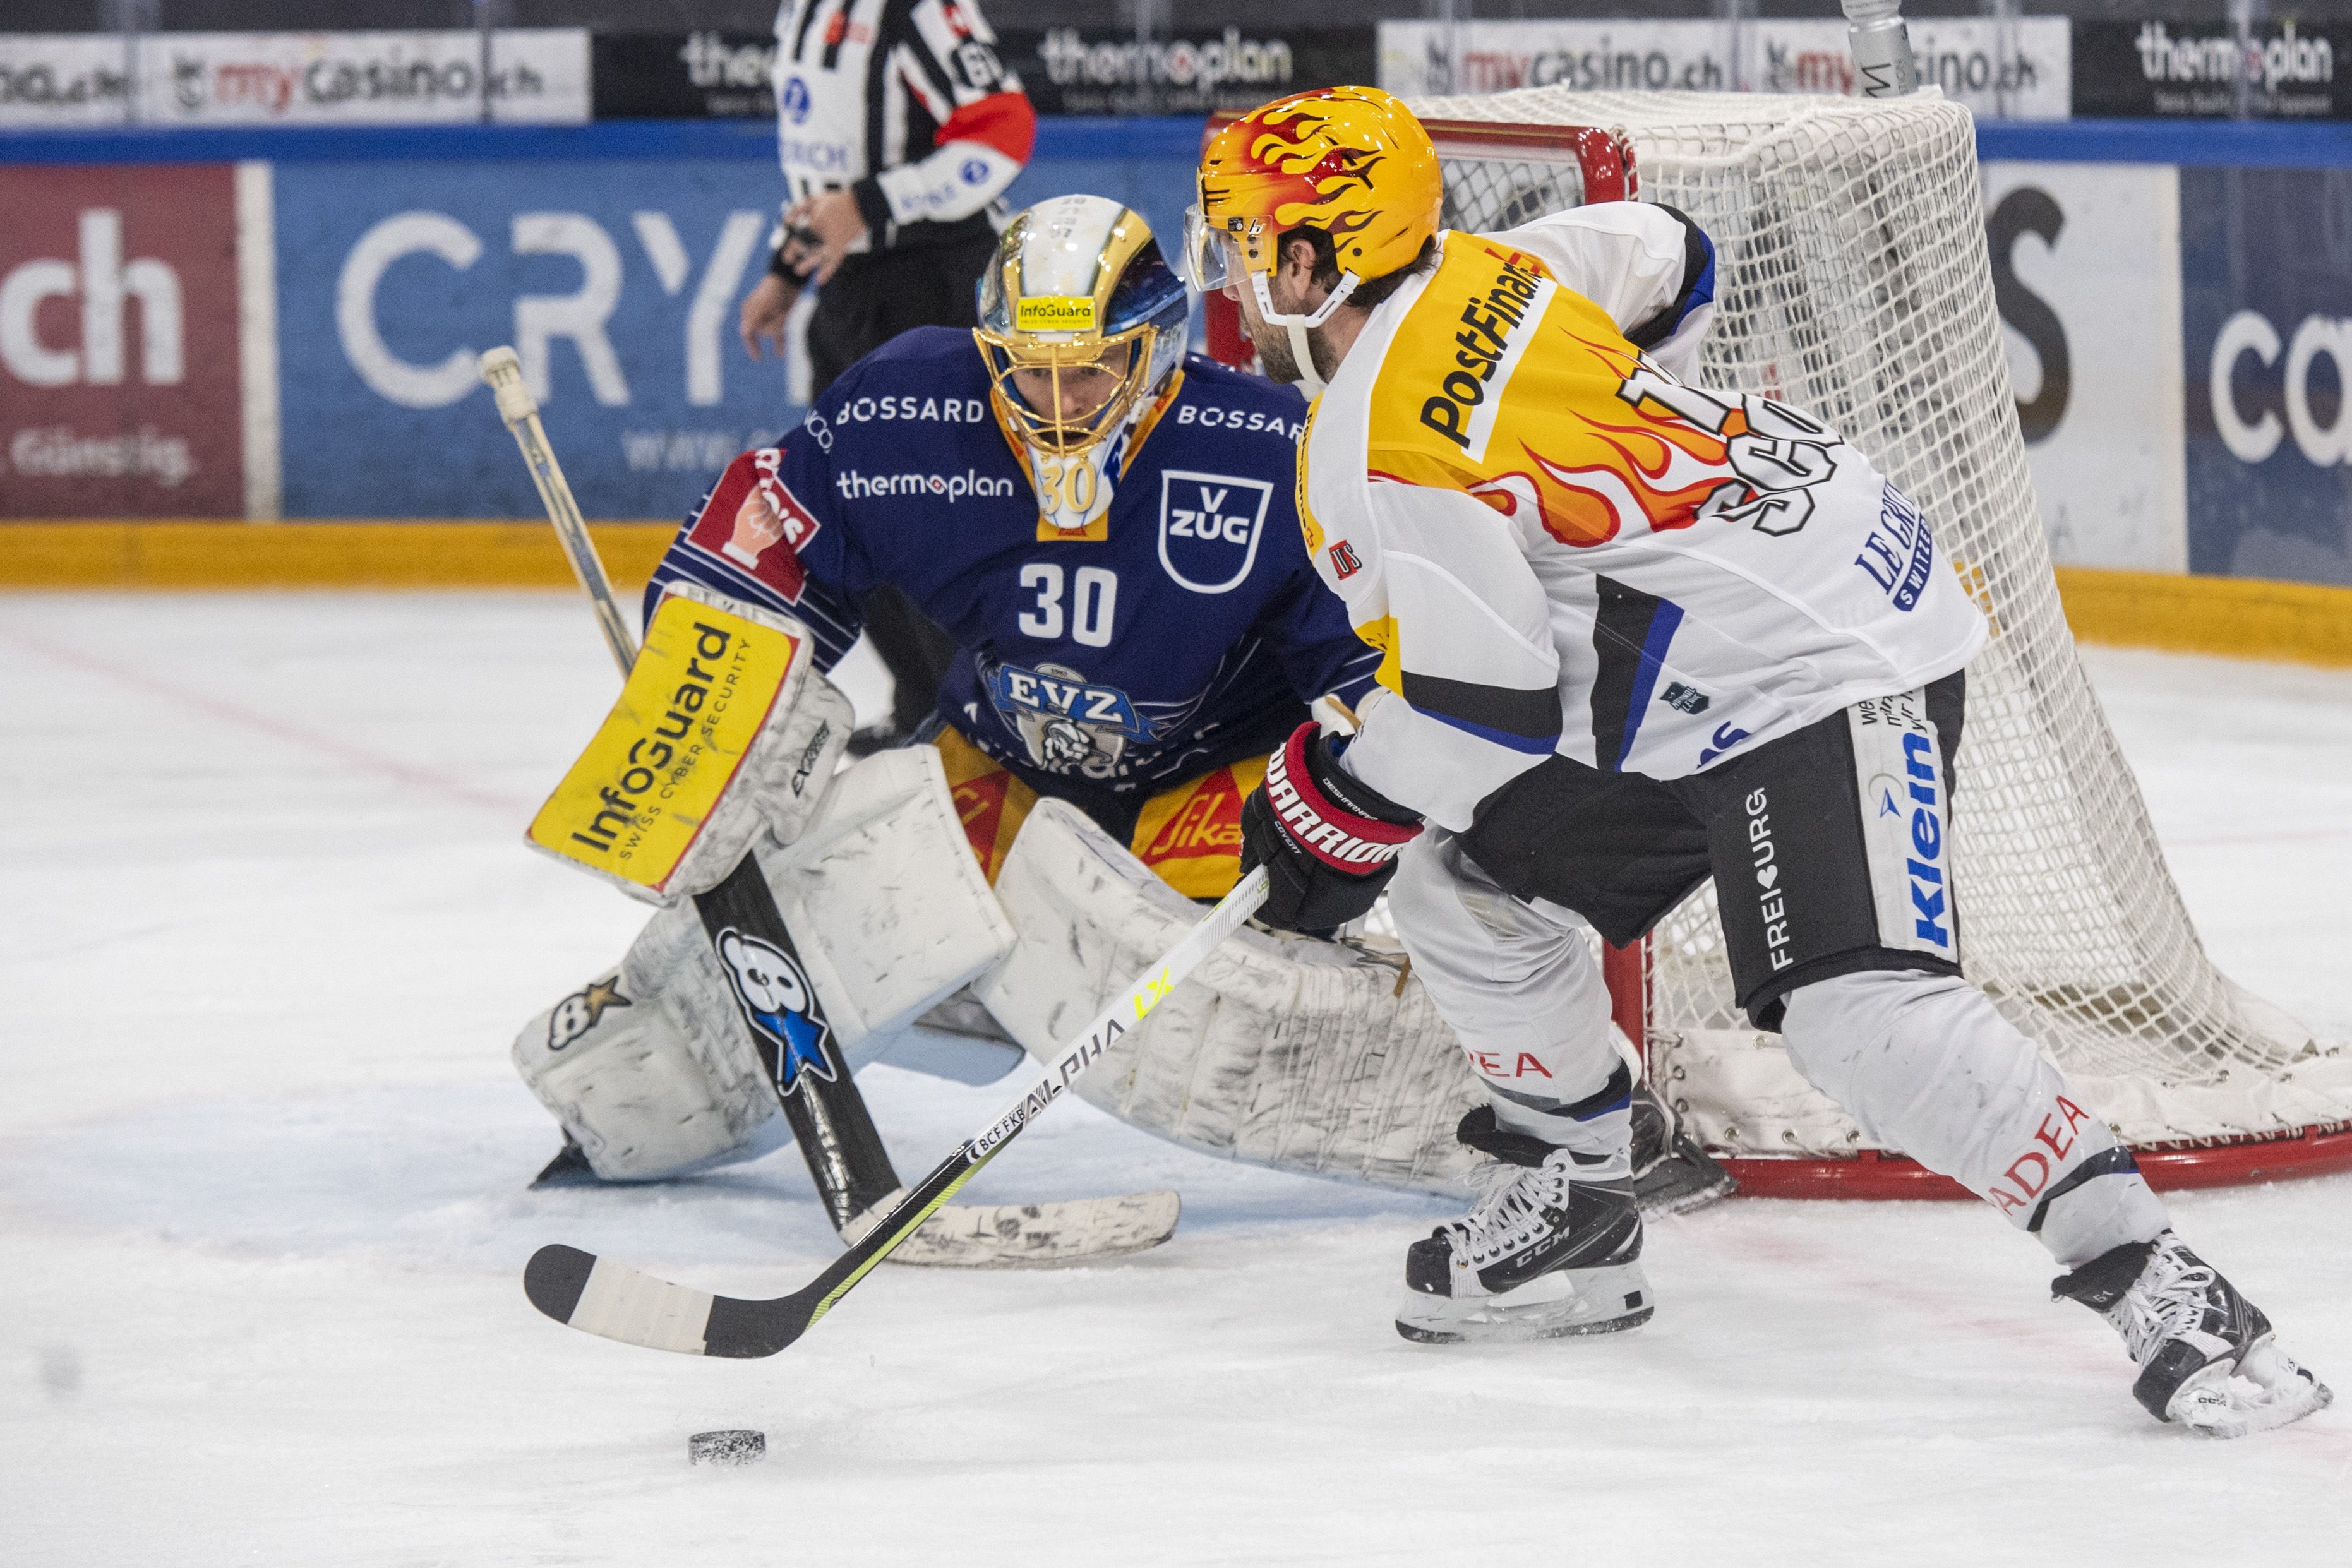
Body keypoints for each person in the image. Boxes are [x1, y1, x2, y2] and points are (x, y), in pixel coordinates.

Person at [1201, 85, 2329, 1435]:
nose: (1234, 273)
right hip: (1733, 641)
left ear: (1312, 257)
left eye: (1242, 241)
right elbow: (1673, 249)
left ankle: (2157, 1277)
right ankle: (1579, 1184)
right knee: (1465, 883)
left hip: (1827, 661)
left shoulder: (1372, 443)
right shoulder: (1501, 265)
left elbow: (1475, 711)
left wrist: (1324, 812)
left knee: (1850, 1013)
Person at [740, 0, 1038, 752]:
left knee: (933, 519)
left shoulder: (917, 10)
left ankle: (974, 734)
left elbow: (1003, 131)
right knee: (841, 519)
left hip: (933, 283)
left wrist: (871, 205)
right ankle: (922, 711)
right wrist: (787, 267)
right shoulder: (801, 12)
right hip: (852, 285)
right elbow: (824, 160)